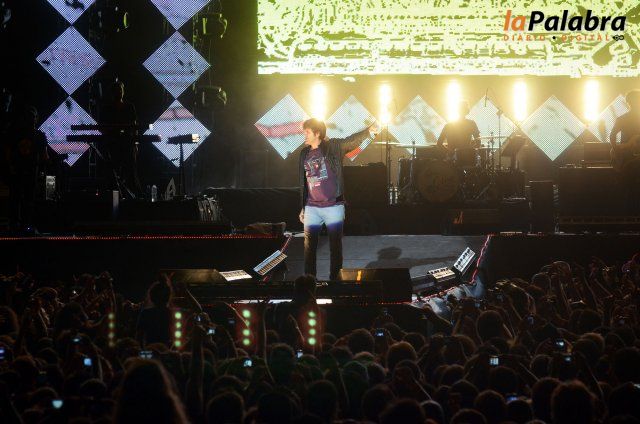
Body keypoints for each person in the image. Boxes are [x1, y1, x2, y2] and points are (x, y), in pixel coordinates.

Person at [298, 118, 380, 280]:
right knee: (309, 249)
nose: (304, 135)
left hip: (333, 206)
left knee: (335, 248)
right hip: (312, 207)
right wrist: (303, 207)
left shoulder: (334, 147)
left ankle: (335, 282)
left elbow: (351, 141)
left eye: (307, 132)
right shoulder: (303, 154)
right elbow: (303, 182)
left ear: (317, 133)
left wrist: (368, 132)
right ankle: (309, 282)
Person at [5, 105, 48, 233]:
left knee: (25, 198)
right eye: (29, 117)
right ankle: (18, 224)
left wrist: (42, 169)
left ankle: (22, 224)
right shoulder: (17, 134)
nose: (31, 119)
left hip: (30, 170)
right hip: (19, 169)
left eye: (32, 117)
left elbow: (44, 155)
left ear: (36, 118)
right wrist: (10, 166)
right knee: (18, 197)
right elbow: (8, 151)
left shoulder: (38, 135)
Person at [98, 80, 141, 198]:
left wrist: (136, 143)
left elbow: (135, 126)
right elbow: (101, 127)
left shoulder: (129, 107)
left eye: (121, 90)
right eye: (117, 91)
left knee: (130, 171)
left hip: (127, 143)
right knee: (113, 172)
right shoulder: (106, 109)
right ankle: (114, 197)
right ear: (113, 93)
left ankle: (134, 196)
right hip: (113, 145)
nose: (119, 93)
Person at [609, 90, 640, 214]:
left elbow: (612, 137)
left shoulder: (622, 119)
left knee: (629, 188)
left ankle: (629, 214)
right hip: (629, 159)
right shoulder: (622, 119)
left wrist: (618, 151)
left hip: (627, 159)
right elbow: (612, 137)